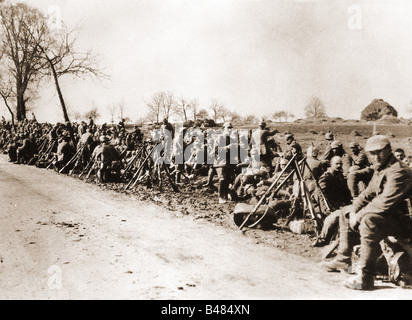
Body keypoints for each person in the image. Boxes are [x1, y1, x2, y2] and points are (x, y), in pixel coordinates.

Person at [321, 135, 412, 290]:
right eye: (372, 153)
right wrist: (354, 210)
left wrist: (360, 215)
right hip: (390, 216)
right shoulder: (382, 167)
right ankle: (343, 259)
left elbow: (384, 202)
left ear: (389, 150)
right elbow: (367, 193)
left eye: (379, 152)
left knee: (369, 219)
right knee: (345, 212)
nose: (375, 156)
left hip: (404, 221)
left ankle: (365, 277)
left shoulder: (399, 171)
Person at [312, 156, 353, 247]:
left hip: (340, 204)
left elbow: (346, 192)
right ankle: (324, 238)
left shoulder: (340, 176)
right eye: (337, 164)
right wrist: (327, 209)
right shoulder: (326, 177)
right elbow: (321, 195)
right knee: (333, 218)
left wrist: (350, 203)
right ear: (331, 165)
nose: (339, 166)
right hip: (329, 205)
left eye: (340, 164)